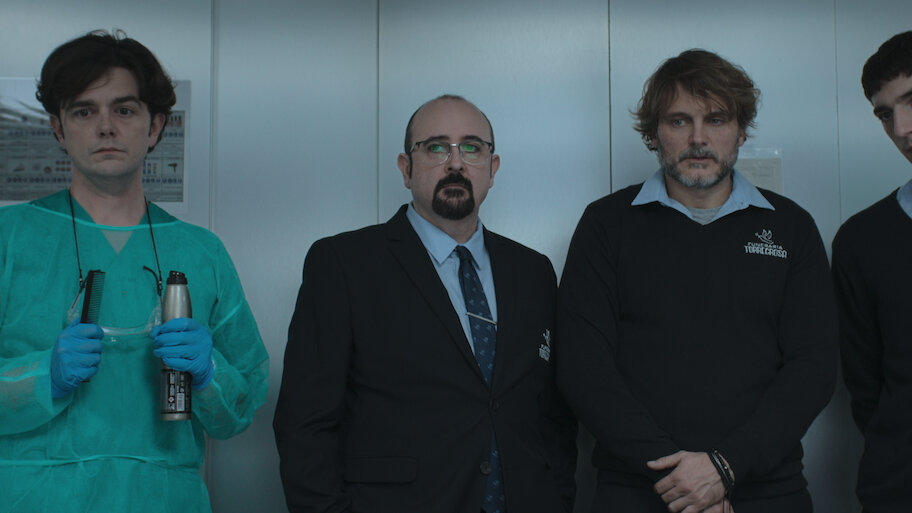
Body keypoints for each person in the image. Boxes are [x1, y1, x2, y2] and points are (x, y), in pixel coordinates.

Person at [556, 49, 837, 513]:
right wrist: (681, 480)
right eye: (679, 121)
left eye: (717, 119)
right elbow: (583, 368)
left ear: (741, 131)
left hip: (769, 492)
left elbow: (814, 366)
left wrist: (726, 467)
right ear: (654, 134)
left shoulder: (791, 228)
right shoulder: (606, 225)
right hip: (638, 492)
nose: (699, 138)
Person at [0, 30, 268, 512]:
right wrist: (44, 376)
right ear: (58, 129)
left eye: (124, 110)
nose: (106, 127)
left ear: (156, 126)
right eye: (84, 111)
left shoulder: (201, 252)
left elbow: (239, 411)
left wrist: (209, 373)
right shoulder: (10, 238)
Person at [273, 94, 577, 513]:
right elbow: (304, 423)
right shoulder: (344, 264)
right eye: (436, 147)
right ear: (406, 168)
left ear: (492, 168)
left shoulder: (533, 271)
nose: (455, 163)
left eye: (471, 148)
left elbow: (553, 416)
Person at [831, 30, 912, 513]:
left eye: (911, 100)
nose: (902, 128)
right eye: (885, 113)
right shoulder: (861, 241)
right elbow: (867, 390)